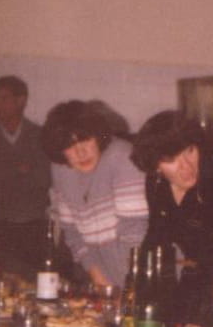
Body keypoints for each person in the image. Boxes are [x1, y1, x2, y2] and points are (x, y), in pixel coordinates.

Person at [131, 110, 213, 327]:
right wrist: (136, 296)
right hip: (196, 278)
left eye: (190, 151)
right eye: (171, 160)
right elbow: (155, 239)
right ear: (156, 165)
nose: (186, 166)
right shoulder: (156, 183)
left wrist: (199, 319)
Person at [41, 100, 148, 288]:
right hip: (106, 280)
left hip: (142, 276)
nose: (81, 152)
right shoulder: (61, 169)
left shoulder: (122, 157)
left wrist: (127, 291)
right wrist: (98, 277)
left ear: (98, 136)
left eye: (85, 140)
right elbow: (71, 231)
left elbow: (135, 234)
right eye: (70, 145)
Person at [0, 75, 51, 275]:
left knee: (30, 279)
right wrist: (20, 171)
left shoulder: (40, 136)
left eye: (4, 98)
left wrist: (4, 172)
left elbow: (45, 180)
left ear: (21, 100)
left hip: (31, 224)